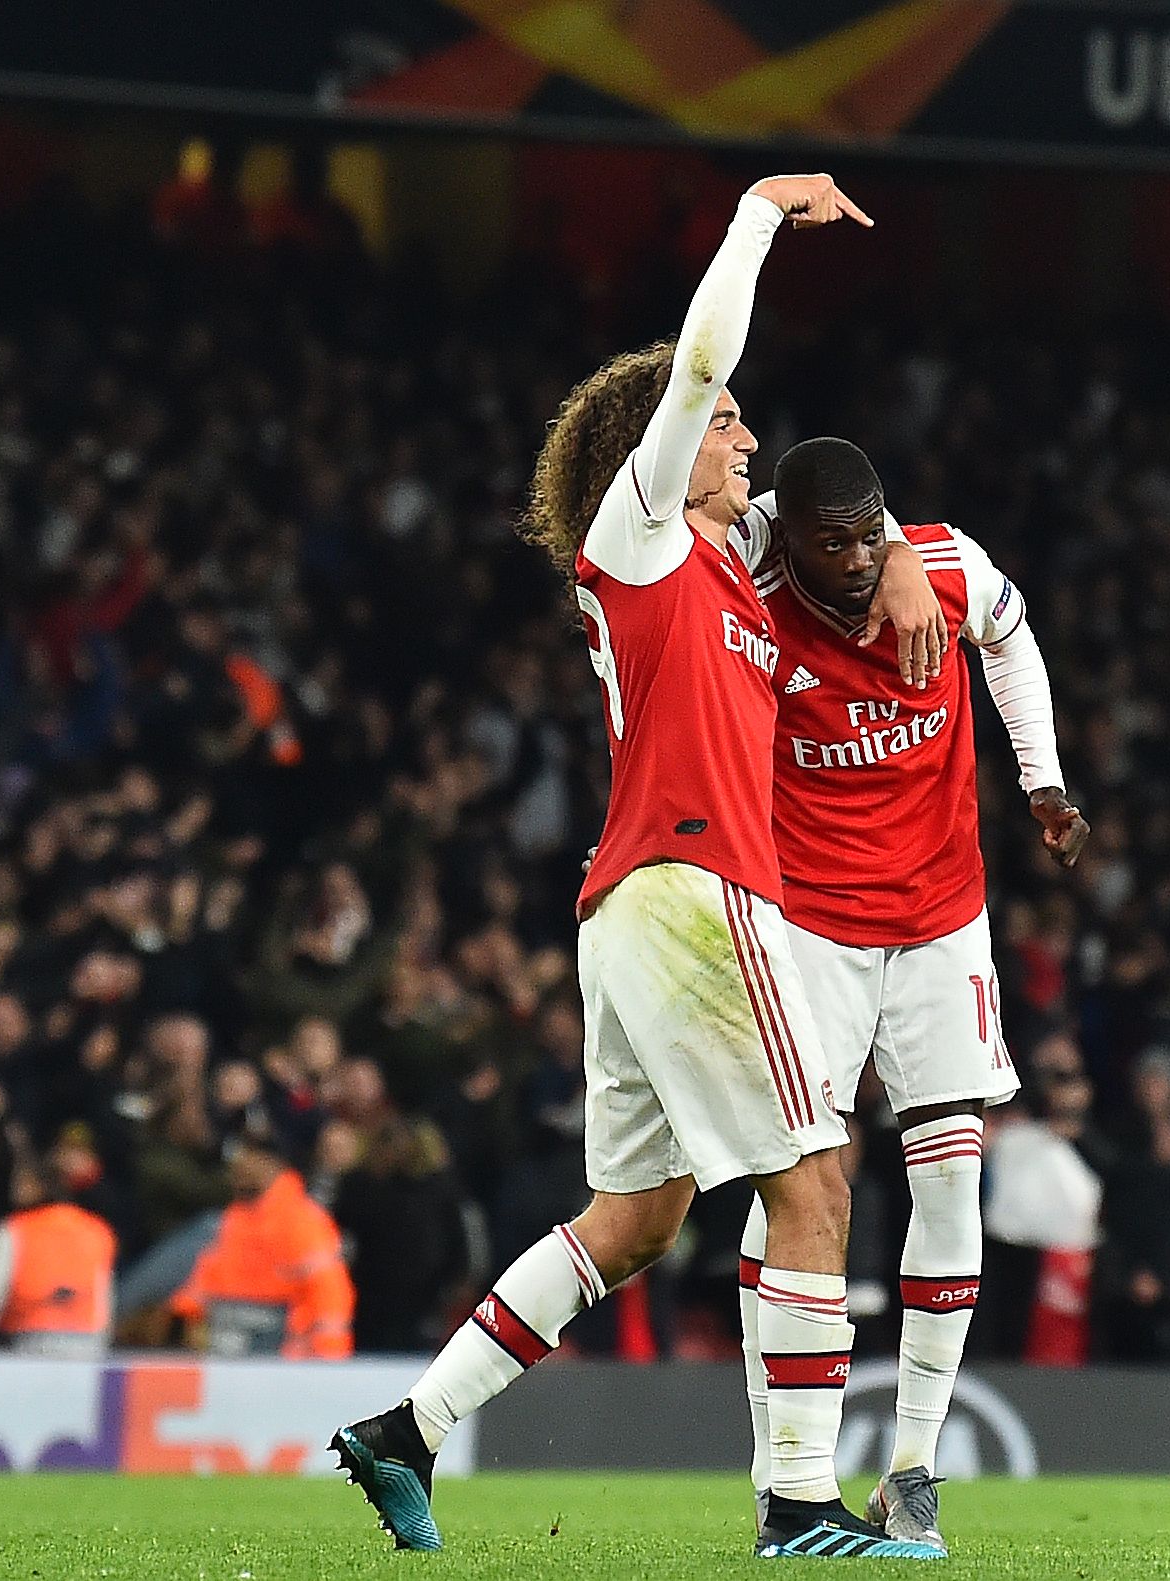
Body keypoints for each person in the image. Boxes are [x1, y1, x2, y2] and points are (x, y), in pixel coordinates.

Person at [331, 173, 951, 1561]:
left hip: (637, 909)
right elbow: (702, 361)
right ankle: (797, 1505)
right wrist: (749, 215)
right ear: (659, 447)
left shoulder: (728, 577)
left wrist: (901, 544)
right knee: (815, 1180)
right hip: (691, 896)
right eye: (727, 424)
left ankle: (403, 1434)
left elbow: (856, 544)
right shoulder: (642, 534)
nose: (745, 437)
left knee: (634, 1218)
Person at [733, 437, 1086, 1548]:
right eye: (826, 542)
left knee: (951, 1188)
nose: (848, 561)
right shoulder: (747, 576)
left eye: (862, 536)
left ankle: (914, 1468)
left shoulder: (938, 566)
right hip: (812, 935)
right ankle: (781, 1466)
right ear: (786, 537)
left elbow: (1014, 638)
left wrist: (1042, 782)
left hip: (941, 926)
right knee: (801, 1196)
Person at [171, 1123, 352, 1359]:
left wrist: (327, 1362)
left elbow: (329, 1293)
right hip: (224, 1351)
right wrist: (185, 1319)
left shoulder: (301, 1220)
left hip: (281, 1356)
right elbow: (206, 1280)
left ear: (270, 1163)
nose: (236, 1165)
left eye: (245, 1155)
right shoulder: (233, 1219)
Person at [0, 1157, 117, 1357]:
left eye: (22, 1181)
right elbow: (104, 1296)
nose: (15, 1188)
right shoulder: (97, 1229)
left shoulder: (13, 1229)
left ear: (41, 1184)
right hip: (88, 1343)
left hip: (29, 1340)